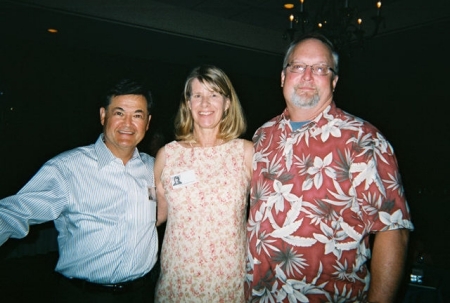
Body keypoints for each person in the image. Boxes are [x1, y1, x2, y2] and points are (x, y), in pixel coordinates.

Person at [245, 33, 414, 303]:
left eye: (321, 69)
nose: (308, 76)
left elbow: (393, 232)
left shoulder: (363, 140)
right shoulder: (262, 136)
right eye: (298, 67)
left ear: (334, 81)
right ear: (282, 77)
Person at [0, 78, 159, 303]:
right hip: (84, 296)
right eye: (119, 113)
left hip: (141, 294)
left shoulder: (155, 167)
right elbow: (13, 213)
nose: (128, 124)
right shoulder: (67, 168)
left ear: (148, 122)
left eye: (138, 115)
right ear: (103, 115)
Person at [154, 65, 254, 302]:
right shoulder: (167, 155)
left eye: (214, 95)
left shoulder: (246, 152)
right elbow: (156, 216)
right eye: (197, 95)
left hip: (229, 285)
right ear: (188, 103)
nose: (205, 103)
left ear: (227, 103)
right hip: (177, 285)